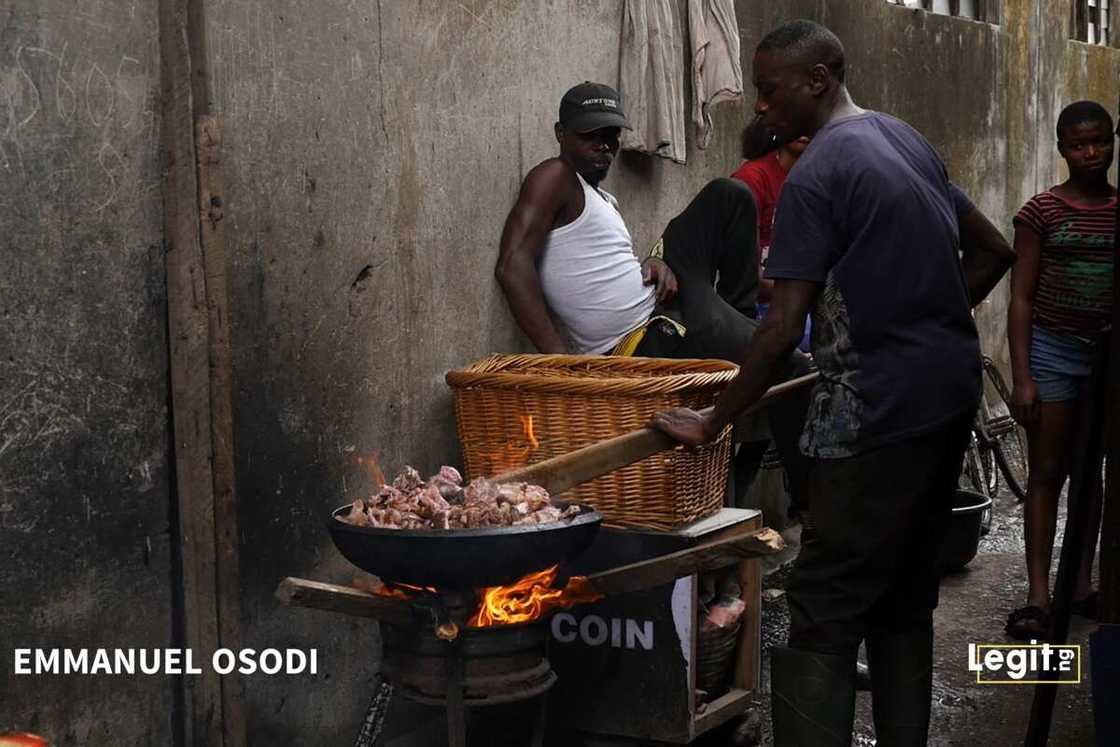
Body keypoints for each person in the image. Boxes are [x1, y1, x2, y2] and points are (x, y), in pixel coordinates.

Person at [650, 20, 1015, 747]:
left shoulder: (816, 175)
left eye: (768, 90)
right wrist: (925, 317)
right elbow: (992, 249)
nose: (759, 106)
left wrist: (714, 418)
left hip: (874, 414)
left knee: (822, 602)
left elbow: (781, 327)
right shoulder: (903, 137)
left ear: (817, 80)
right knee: (904, 596)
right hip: (945, 399)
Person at [494, 80, 812, 504]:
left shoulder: (602, 197)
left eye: (610, 137)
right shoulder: (555, 176)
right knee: (792, 367)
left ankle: (739, 324)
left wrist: (652, 261)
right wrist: (561, 363)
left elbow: (601, 268)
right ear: (560, 133)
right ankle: (813, 517)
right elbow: (512, 265)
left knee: (730, 195)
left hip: (669, 301)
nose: (604, 146)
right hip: (650, 333)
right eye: (590, 135)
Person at [1004, 100, 1114, 640]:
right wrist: (1022, 376)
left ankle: (1078, 586)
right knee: (1048, 474)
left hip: (1105, 359)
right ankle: (1039, 595)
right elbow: (1021, 298)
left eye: (1099, 141)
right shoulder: (1041, 213)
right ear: (1061, 148)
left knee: (1090, 477)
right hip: (1052, 352)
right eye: (1078, 143)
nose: (1090, 152)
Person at [731, 116, 812, 352]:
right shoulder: (752, 178)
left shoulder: (814, 178)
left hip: (800, 298)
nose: (804, 131)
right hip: (763, 305)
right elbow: (743, 275)